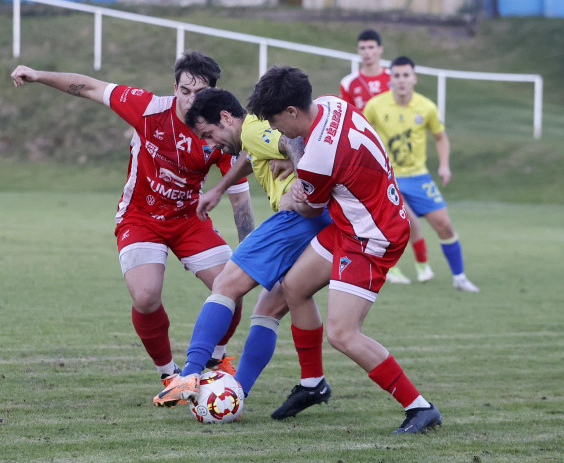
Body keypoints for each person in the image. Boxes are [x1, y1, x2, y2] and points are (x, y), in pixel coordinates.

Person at [10, 51, 253, 388]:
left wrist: (251, 256)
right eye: (184, 91)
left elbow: (239, 197)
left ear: (213, 94)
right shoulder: (148, 108)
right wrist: (37, 74)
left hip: (188, 220)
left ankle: (215, 360)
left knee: (234, 284)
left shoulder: (219, 132)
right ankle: (169, 375)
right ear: (175, 87)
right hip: (141, 217)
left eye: (199, 93)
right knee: (145, 296)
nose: (189, 100)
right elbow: (89, 87)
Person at [249, 65, 442, 434]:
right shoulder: (329, 104)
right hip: (353, 223)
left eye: (276, 123)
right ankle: (312, 385)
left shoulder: (318, 160)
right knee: (294, 287)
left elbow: (309, 205)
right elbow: (317, 153)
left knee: (343, 333)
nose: (277, 132)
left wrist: (293, 193)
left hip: (373, 237)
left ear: (292, 112)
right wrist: (292, 160)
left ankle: (419, 406)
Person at [153, 88, 334, 420]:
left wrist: (304, 181)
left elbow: (295, 144)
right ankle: (241, 391)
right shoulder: (253, 136)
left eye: (209, 134)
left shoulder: (252, 127)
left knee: (226, 284)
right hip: (325, 222)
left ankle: (190, 374)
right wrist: (219, 190)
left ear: (225, 118)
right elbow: (252, 157)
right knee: (268, 309)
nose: (210, 145)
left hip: (297, 219)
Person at [363, 56, 479, 292]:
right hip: (389, 178)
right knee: (402, 225)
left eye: (406, 75)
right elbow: (361, 135)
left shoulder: (426, 107)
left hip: (419, 177)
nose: (402, 80)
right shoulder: (375, 106)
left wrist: (444, 165)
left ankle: (459, 277)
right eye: (397, 76)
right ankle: (391, 271)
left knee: (444, 225)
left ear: (414, 78)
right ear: (390, 79)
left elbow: (440, 137)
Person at [340, 29, 433, 286]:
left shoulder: (393, 77)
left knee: (404, 216)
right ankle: (395, 266)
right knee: (382, 215)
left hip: (394, 159)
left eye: (372, 47)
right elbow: (349, 120)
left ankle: (418, 265)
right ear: (358, 52)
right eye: (363, 48)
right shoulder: (349, 84)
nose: (367, 53)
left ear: (380, 50)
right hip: (364, 160)